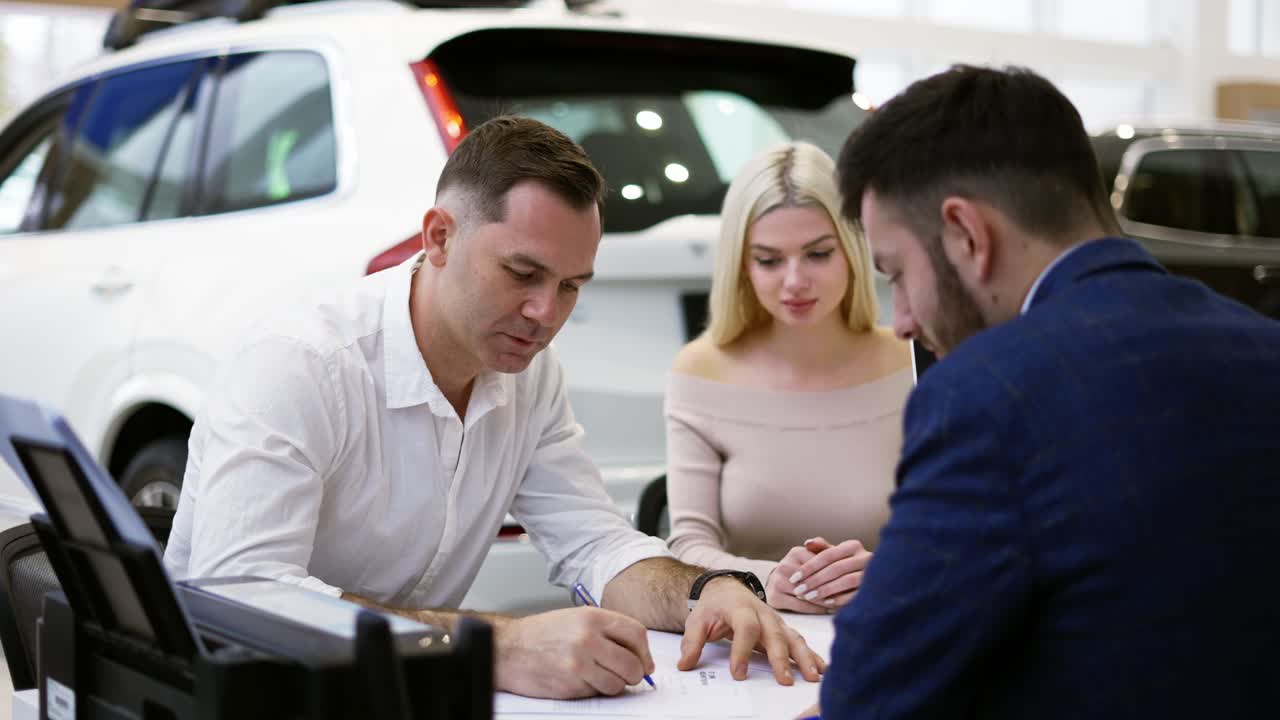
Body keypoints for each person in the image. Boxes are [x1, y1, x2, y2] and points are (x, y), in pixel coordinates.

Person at [161, 116, 824, 699]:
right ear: (439, 237)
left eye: (570, 287)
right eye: (523, 274)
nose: (546, 315)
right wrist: (495, 649)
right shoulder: (301, 360)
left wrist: (707, 589)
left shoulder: (530, 376)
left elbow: (595, 542)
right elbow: (239, 591)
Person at [805, 65, 1280, 719]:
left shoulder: (985, 396)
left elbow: (872, 696)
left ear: (968, 236)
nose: (903, 320)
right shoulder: (1262, 347)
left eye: (897, 274)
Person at [664, 141, 910, 615]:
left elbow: (960, 527)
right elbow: (688, 545)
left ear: (853, 249)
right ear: (741, 264)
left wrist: (886, 569)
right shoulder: (700, 371)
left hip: (895, 621)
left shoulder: (910, 362)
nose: (794, 282)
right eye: (769, 260)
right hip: (759, 638)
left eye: (817, 254)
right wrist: (769, 579)